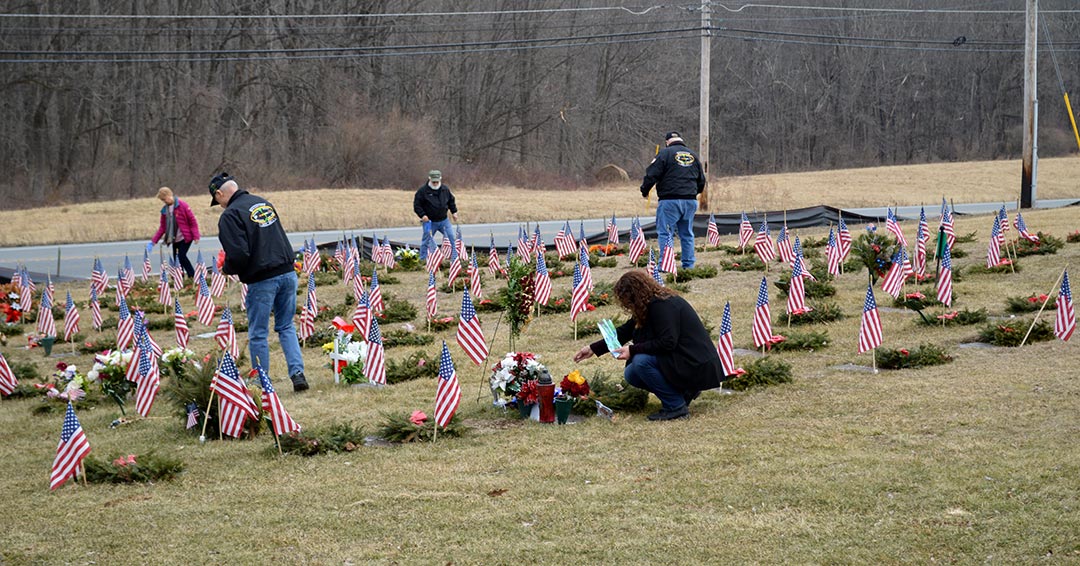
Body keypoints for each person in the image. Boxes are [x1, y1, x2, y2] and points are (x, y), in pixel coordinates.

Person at [572, 270, 723, 421]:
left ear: (635, 296)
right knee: (632, 373)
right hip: (683, 360)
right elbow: (625, 331)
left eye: (628, 301)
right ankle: (683, 393)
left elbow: (668, 342)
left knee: (641, 362)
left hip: (695, 363)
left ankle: (676, 407)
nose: (627, 305)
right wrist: (592, 348)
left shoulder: (663, 305)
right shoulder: (649, 304)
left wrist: (632, 350)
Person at [210, 172, 308, 392]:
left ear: (219, 194)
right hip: (287, 272)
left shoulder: (230, 215)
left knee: (258, 332)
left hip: (263, 279)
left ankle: (260, 382)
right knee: (286, 326)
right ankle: (297, 373)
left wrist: (227, 268)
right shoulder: (262, 203)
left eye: (216, 201)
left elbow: (238, 254)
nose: (219, 205)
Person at [640, 131, 706, 269]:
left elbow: (651, 174)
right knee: (687, 233)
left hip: (670, 200)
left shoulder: (664, 154)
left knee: (665, 233)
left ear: (667, 142)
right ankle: (688, 265)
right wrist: (694, 193)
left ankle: (665, 265)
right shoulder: (693, 155)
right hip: (690, 200)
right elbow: (701, 180)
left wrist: (644, 190)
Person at [149, 187, 200, 278]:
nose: (164, 202)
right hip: (174, 239)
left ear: (169, 195)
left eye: (164, 199)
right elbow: (163, 228)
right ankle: (179, 277)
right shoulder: (165, 210)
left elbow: (192, 221)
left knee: (182, 256)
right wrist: (153, 241)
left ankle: (193, 275)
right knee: (177, 260)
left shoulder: (182, 205)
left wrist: (196, 236)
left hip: (185, 237)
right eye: (162, 200)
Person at [413, 170, 458, 260]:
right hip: (429, 222)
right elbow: (417, 205)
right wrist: (423, 215)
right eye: (433, 181)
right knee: (426, 240)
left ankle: (455, 257)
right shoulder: (422, 191)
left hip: (444, 221)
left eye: (437, 181)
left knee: (451, 238)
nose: (435, 183)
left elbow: (451, 201)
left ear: (440, 179)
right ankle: (423, 259)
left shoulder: (445, 189)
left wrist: (454, 212)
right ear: (429, 179)